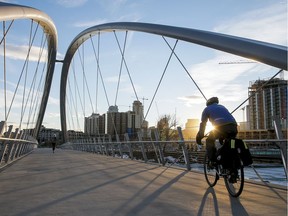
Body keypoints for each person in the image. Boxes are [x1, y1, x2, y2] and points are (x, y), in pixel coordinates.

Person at [196, 97, 238, 164]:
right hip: (233, 127)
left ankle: (213, 161)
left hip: (220, 128)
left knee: (209, 140)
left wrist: (199, 137)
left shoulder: (206, 109)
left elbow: (203, 124)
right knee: (230, 142)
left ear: (208, 103)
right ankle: (231, 165)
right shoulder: (222, 107)